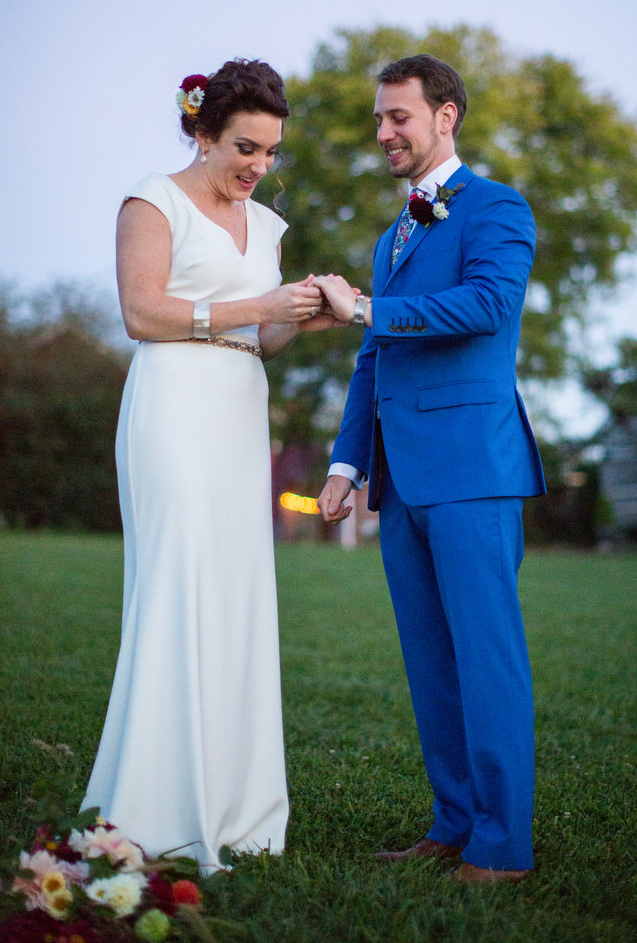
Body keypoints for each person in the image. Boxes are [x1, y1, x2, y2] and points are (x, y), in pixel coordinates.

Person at [83, 58, 337, 873]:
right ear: (201, 130)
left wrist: (298, 313)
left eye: (270, 153)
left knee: (237, 592)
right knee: (179, 584)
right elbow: (141, 311)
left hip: (237, 412)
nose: (259, 167)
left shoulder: (265, 227)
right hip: (172, 407)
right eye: (245, 147)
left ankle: (240, 803)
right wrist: (252, 307)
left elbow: (263, 335)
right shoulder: (150, 202)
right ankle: (156, 799)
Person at [315, 54, 546, 884]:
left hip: (474, 471)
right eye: (379, 120)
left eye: (398, 118)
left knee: (487, 658)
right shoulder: (395, 235)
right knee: (430, 660)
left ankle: (502, 845)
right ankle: (453, 822)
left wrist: (370, 305)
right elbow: (375, 357)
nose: (383, 133)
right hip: (400, 480)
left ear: (445, 116)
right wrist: (346, 461)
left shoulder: (498, 208)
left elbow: (487, 305)